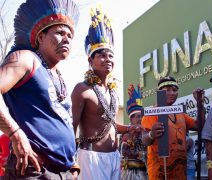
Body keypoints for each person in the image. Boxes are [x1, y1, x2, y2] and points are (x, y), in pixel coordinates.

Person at [0, 0, 80, 179]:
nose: (66, 38)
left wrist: (72, 165)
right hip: (33, 168)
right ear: (40, 37)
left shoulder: (58, 75)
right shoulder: (26, 59)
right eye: (60, 32)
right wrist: (15, 133)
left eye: (69, 35)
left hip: (63, 173)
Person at [72, 5, 141, 180]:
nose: (107, 60)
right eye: (101, 55)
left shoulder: (112, 92)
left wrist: (130, 128)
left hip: (114, 157)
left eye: (110, 56)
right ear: (90, 59)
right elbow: (70, 128)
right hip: (90, 158)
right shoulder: (82, 90)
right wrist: (71, 162)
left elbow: (109, 126)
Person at [141, 76, 200, 180]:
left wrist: (200, 103)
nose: (172, 93)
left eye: (174, 90)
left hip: (180, 173)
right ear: (159, 92)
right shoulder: (151, 114)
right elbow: (145, 140)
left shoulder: (180, 113)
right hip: (159, 174)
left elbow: (199, 126)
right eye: (167, 90)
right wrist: (151, 134)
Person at [120, 84, 148, 180]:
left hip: (144, 171)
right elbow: (124, 151)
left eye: (142, 116)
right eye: (138, 116)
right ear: (131, 119)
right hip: (130, 172)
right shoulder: (127, 132)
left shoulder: (145, 130)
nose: (140, 119)